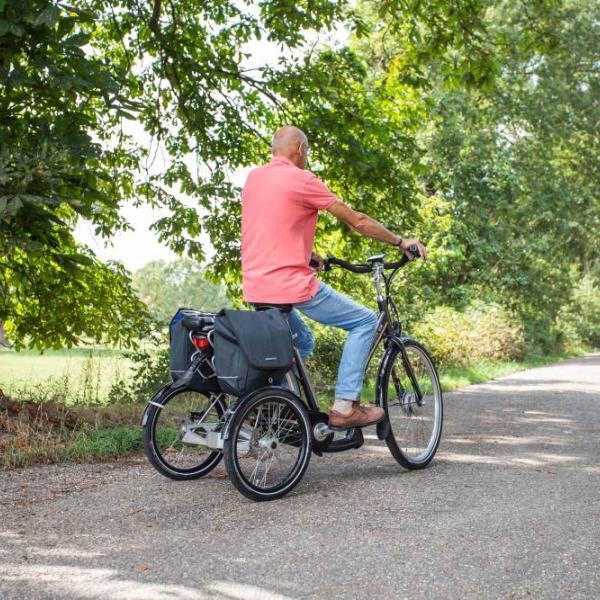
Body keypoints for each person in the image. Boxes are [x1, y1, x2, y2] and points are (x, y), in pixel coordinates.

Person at [241, 126, 427, 430]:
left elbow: (271, 225)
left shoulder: (254, 179)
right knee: (366, 322)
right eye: (307, 153)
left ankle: (271, 400)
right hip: (291, 286)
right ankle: (344, 407)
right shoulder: (302, 180)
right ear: (300, 149)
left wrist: (306, 254)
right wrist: (399, 241)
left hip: (257, 286)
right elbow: (358, 221)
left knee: (302, 340)